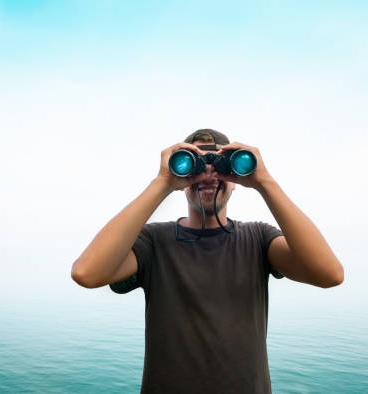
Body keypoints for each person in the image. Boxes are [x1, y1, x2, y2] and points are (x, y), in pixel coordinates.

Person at [71, 129, 344, 394]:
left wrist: (265, 182)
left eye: (218, 163)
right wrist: (162, 182)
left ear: (235, 178)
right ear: (182, 177)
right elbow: (87, 273)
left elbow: (330, 274)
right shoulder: (154, 242)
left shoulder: (259, 239)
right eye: (196, 164)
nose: (208, 173)